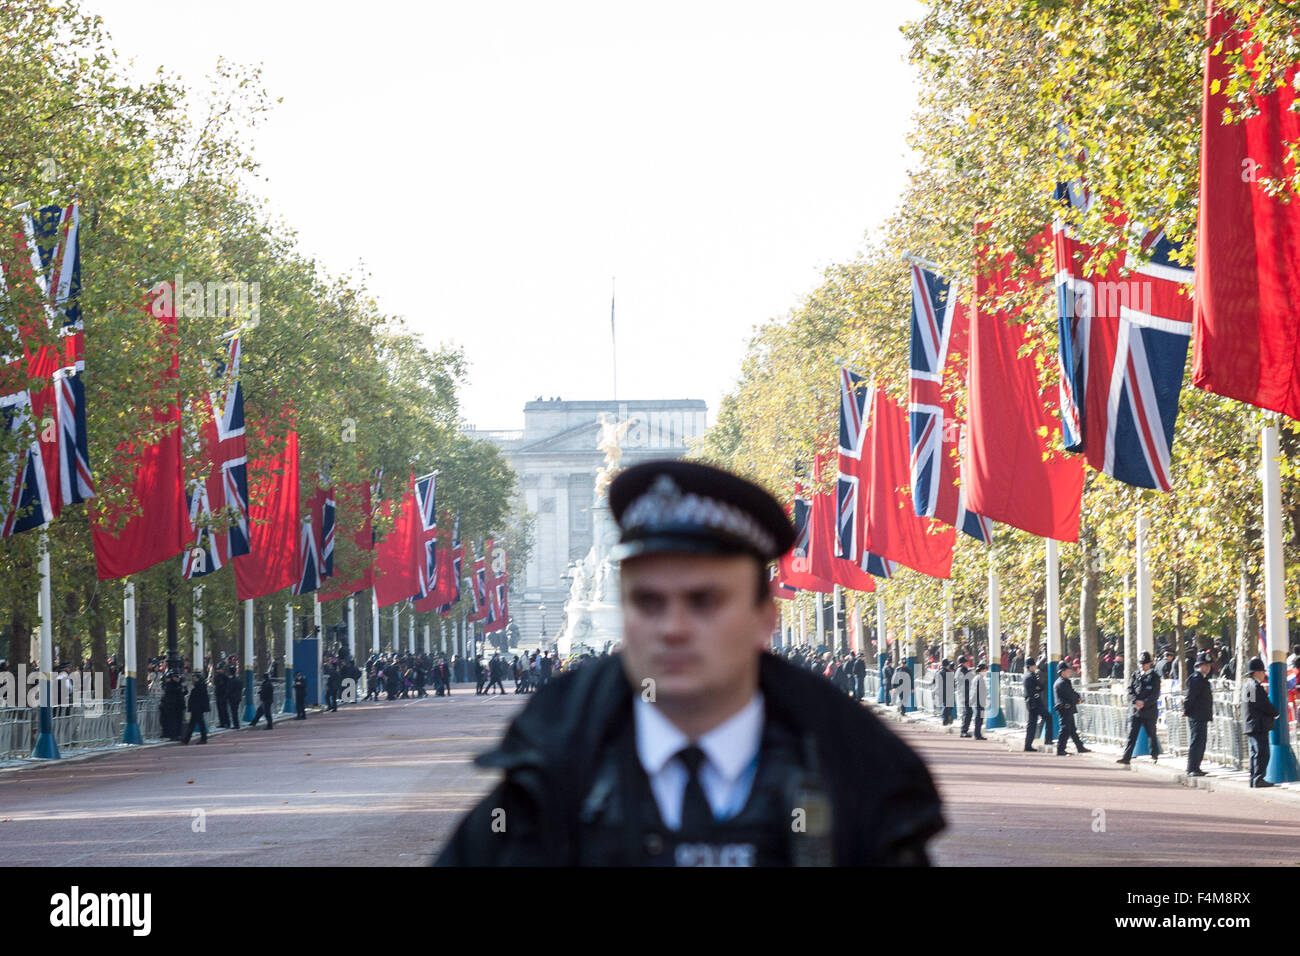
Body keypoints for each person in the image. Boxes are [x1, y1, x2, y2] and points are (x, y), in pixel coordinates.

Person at [435, 459, 944, 866]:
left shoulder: (855, 779)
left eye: (704, 601)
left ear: (764, 614)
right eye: (648, 602)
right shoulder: (544, 780)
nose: (673, 628)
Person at [1117, 651, 1161, 764]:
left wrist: (1144, 703)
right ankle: (1126, 757)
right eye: (1141, 663)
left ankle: (1154, 755)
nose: (1142, 665)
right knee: (1132, 734)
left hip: (1149, 710)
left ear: (1149, 664)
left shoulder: (1154, 676)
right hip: (1136, 710)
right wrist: (1135, 701)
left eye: (1145, 663)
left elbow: (1155, 694)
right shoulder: (1135, 675)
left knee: (1151, 733)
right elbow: (1130, 689)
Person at [1243, 657, 1279, 788]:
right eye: (1262, 671)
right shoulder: (1254, 686)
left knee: (1255, 753)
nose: (1264, 674)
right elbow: (1261, 704)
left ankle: (1254, 778)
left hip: (1252, 724)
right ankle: (1259, 778)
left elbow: (1252, 705)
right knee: (1262, 753)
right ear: (1257, 672)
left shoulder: (1247, 685)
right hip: (1258, 724)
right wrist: (1275, 712)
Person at [1053, 662, 1088, 755]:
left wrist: (1077, 697)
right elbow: (1069, 694)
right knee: (1065, 729)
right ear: (1062, 672)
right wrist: (1077, 699)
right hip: (1065, 708)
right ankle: (1060, 749)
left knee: (1072, 729)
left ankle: (1080, 747)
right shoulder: (1061, 683)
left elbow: (1072, 692)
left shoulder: (1065, 681)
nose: (1069, 672)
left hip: (1068, 708)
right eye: (1067, 671)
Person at [1022, 658, 1052, 751]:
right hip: (1035, 702)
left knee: (1032, 724)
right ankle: (1048, 740)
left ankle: (1028, 744)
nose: (1035, 666)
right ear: (1031, 666)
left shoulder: (1027, 675)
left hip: (1031, 702)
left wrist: (1038, 687)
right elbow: (1039, 687)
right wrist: (1038, 687)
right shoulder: (1031, 676)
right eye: (1034, 665)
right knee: (1048, 717)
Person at [182, 674, 210, 745]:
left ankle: (187, 739)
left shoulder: (199, 686)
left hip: (197, 708)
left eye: (195, 678)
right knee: (196, 723)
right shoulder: (199, 686)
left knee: (195, 724)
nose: (194, 680)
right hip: (197, 708)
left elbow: (198, 698)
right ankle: (188, 739)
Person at [957, 656, 974, 737]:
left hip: (965, 694)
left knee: (967, 712)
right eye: (966, 662)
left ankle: (964, 730)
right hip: (965, 694)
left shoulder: (962, 671)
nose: (968, 663)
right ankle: (964, 731)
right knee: (967, 712)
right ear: (963, 663)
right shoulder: (961, 671)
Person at [971, 662, 989, 740]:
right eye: (985, 669)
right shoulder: (979, 678)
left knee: (979, 718)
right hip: (979, 702)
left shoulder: (977, 678)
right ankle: (977, 734)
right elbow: (977, 690)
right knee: (979, 719)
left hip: (978, 701)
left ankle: (978, 733)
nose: (985, 671)